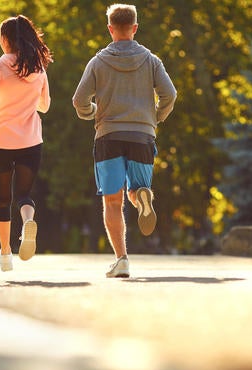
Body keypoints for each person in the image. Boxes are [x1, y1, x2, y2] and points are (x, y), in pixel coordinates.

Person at [72, 3, 177, 278]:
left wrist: (92, 113)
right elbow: (170, 94)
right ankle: (142, 196)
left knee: (112, 200)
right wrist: (154, 117)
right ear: (135, 28)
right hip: (142, 134)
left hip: (108, 135)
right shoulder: (152, 60)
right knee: (138, 188)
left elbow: (78, 100)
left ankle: (122, 260)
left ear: (110, 29)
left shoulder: (98, 62)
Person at [0, 15, 52, 272]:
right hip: (30, 141)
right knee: (24, 195)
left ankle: (6, 253)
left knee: (3, 197)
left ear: (5, 39)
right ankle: (28, 221)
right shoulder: (38, 68)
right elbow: (45, 105)